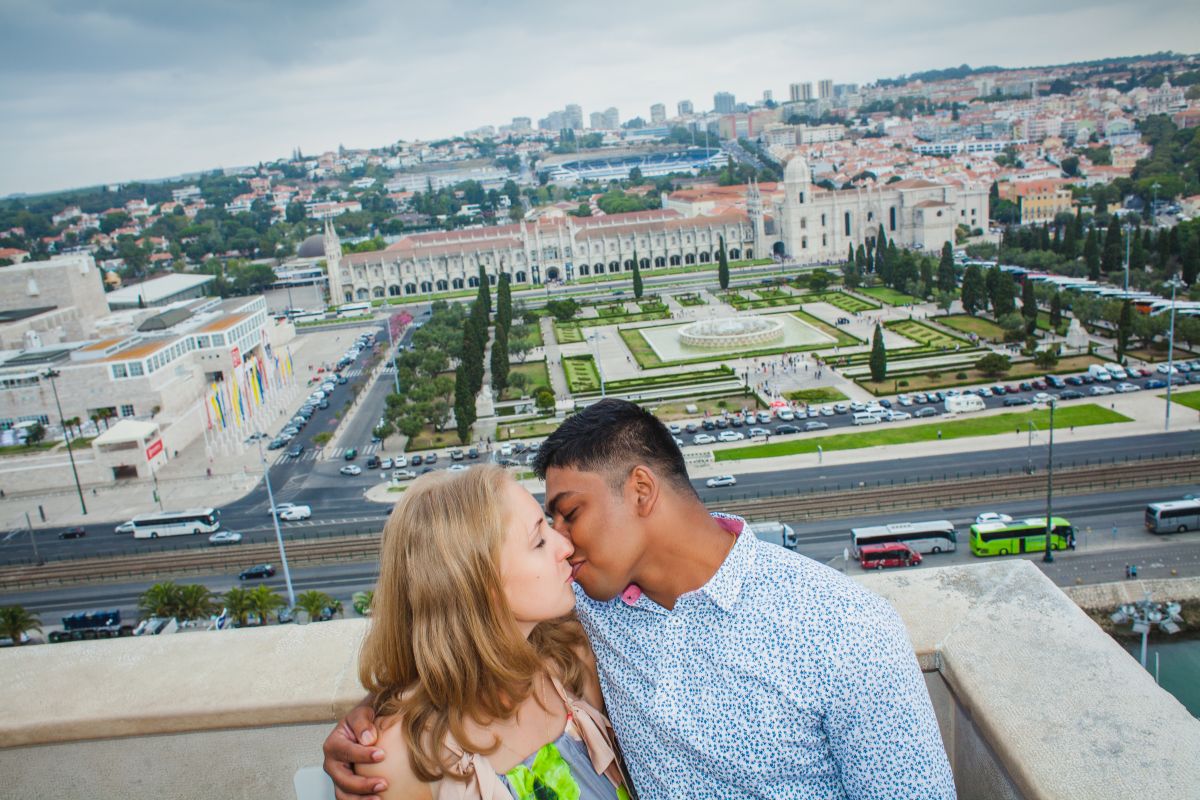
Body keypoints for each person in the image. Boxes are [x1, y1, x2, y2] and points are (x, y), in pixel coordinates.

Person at [327, 399, 954, 799]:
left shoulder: (847, 632)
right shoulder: (589, 617)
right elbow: (465, 637)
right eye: (545, 530)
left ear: (642, 491)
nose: (564, 547)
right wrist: (378, 719)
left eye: (568, 516)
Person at [334, 465, 630, 800]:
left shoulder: (572, 660)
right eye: (538, 541)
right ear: (480, 586)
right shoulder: (401, 759)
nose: (564, 546)